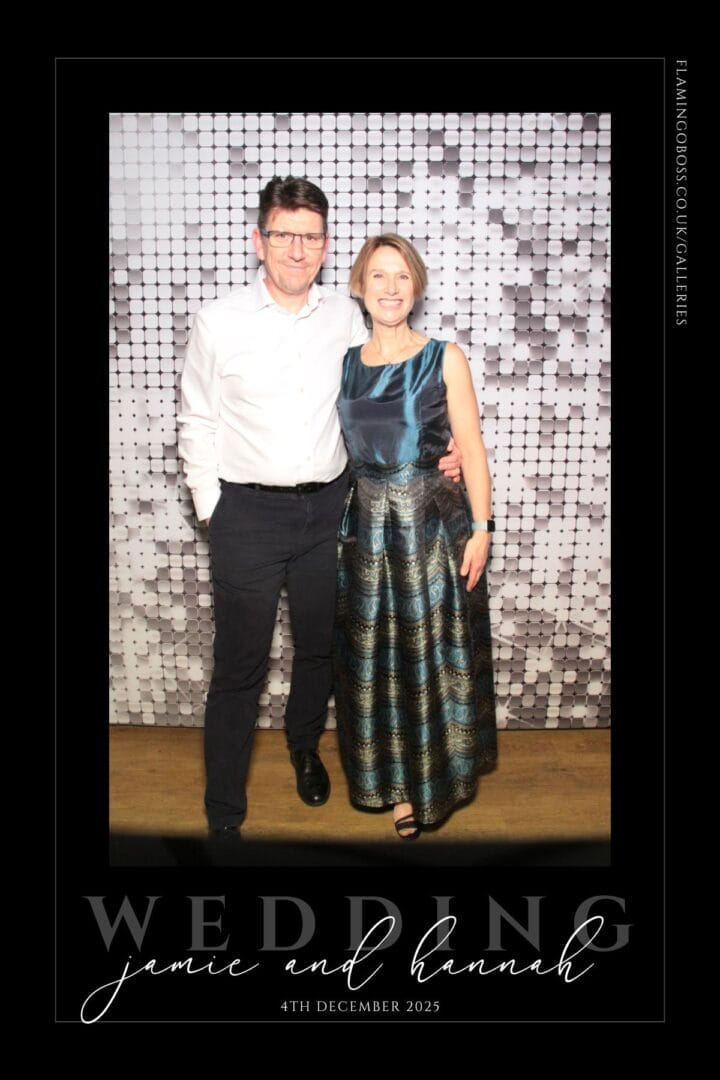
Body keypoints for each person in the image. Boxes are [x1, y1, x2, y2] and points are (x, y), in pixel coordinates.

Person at [177, 178, 460, 840]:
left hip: (331, 511)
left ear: (327, 246)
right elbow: (196, 419)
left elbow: (388, 390)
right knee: (239, 668)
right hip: (245, 514)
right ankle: (224, 812)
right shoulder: (219, 321)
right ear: (259, 241)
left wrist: (443, 451)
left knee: (318, 649)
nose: (297, 249)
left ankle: (303, 747)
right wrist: (214, 510)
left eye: (310, 237)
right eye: (284, 235)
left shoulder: (346, 317)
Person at [334, 234, 498, 840]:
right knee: (377, 659)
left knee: (431, 656)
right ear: (360, 286)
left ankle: (434, 782)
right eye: (379, 275)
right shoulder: (344, 362)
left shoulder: (443, 357)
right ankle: (393, 783)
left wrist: (482, 529)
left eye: (402, 276)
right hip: (366, 533)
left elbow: (471, 449)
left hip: (431, 528)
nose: (391, 288)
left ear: (417, 286)